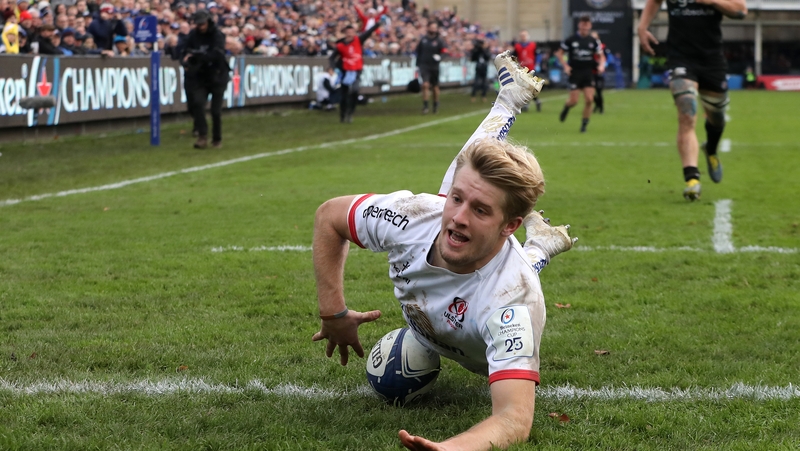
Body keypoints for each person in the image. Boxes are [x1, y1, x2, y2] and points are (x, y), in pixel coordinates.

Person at [312, 51, 577, 451]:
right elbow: (329, 217)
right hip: (438, 318)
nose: (458, 217)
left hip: (477, 353)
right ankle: (510, 109)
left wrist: (451, 448)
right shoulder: (415, 216)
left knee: (507, 274)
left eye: (481, 211)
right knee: (462, 203)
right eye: (456, 199)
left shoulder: (513, 301)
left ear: (510, 226)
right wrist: (333, 313)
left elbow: (514, 419)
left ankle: (538, 245)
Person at [638, 0, 747, 200]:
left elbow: (741, 10)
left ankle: (710, 149)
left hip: (712, 60)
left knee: (717, 118)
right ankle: (692, 179)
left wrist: (712, 1)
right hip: (680, 59)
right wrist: (642, 27)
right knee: (687, 112)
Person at [182, 9, 230, 149]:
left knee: (216, 111)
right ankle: (202, 135)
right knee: (197, 103)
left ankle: (217, 138)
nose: (201, 27)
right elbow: (184, 51)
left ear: (208, 22)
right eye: (198, 24)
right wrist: (186, 61)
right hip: (200, 75)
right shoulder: (193, 35)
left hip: (217, 75)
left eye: (203, 24)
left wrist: (197, 56)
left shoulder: (217, 35)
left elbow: (217, 54)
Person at [555, 16, 604, 133]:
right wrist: (565, 66)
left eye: (587, 25)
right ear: (579, 25)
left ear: (590, 26)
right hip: (575, 73)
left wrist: (602, 65)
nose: (585, 28)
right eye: (583, 25)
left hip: (588, 73)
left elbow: (602, 56)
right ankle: (567, 107)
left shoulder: (593, 41)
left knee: (589, 99)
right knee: (574, 101)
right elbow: (559, 53)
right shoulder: (571, 40)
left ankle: (584, 125)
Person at [329, 20, 381, 124]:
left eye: (351, 32)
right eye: (348, 32)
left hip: (356, 70)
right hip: (345, 71)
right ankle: (343, 114)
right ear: (345, 33)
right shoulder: (340, 45)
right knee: (344, 94)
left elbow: (368, 32)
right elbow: (331, 58)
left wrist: (377, 24)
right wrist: (335, 68)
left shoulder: (358, 40)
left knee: (355, 90)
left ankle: (350, 113)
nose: (350, 34)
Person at [416, 21, 446, 114]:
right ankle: (425, 106)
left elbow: (444, 52)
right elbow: (418, 52)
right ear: (428, 28)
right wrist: (417, 64)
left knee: (435, 87)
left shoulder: (439, 41)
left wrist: (440, 57)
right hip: (424, 65)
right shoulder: (423, 40)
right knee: (425, 85)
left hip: (434, 66)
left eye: (435, 28)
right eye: (432, 27)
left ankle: (435, 104)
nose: (433, 29)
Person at [511, 30, 542, 112]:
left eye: (524, 35)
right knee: (524, 87)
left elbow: (538, 55)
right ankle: (535, 102)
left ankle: (531, 103)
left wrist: (538, 63)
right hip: (522, 69)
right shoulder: (517, 46)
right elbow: (514, 57)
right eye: (522, 36)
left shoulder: (533, 45)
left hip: (531, 69)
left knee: (530, 87)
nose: (523, 37)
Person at [590, 31, 608, 114]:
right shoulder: (588, 46)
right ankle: (597, 104)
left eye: (595, 37)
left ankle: (601, 108)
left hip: (599, 72)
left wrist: (602, 66)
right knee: (589, 91)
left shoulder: (602, 46)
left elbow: (605, 58)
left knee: (599, 90)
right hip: (590, 72)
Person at [469, 38, 490, 103]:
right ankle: (473, 95)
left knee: (484, 82)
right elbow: (473, 58)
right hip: (478, 68)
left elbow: (488, 57)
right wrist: (478, 50)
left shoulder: (486, 50)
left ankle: (484, 95)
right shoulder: (477, 50)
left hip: (484, 68)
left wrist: (483, 50)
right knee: (476, 82)